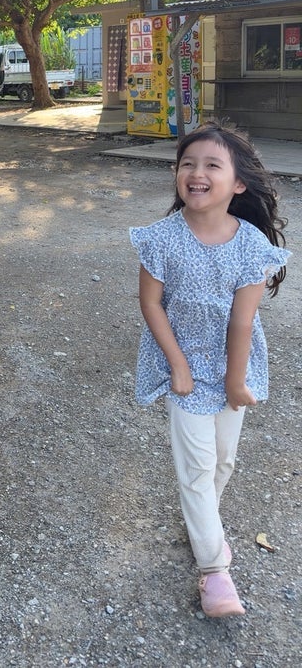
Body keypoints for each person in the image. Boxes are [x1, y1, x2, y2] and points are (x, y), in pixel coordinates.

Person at [130, 119, 290, 618]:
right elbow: (151, 305)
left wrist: (236, 381)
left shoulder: (251, 248)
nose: (196, 173)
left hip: (233, 368)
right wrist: (177, 365)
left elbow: (243, 321)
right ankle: (214, 571)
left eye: (212, 165)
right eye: (187, 164)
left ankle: (204, 524)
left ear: (238, 183)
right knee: (196, 468)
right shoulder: (160, 239)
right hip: (182, 368)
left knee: (222, 462)